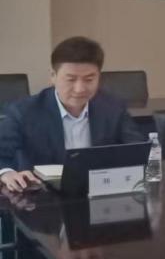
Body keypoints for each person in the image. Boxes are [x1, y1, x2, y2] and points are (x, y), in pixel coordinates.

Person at [0, 37, 146, 192]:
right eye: (71, 79)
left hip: (98, 193)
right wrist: (6, 173)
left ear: (99, 77)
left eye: (89, 79)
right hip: (43, 198)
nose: (79, 89)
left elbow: (138, 150)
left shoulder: (113, 108)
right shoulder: (24, 111)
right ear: (53, 76)